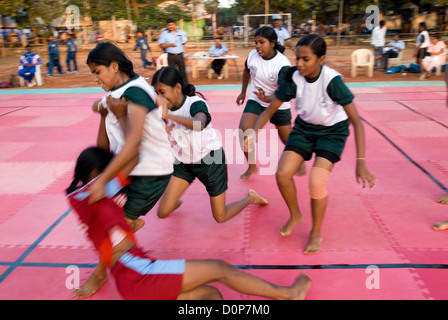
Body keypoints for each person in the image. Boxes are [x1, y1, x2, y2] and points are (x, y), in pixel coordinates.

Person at [66, 146, 311, 300]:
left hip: (135, 277)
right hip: (137, 276)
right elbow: (130, 158)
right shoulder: (87, 194)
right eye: (107, 170)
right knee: (219, 268)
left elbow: (115, 162)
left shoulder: (94, 194)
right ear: (97, 171)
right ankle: (287, 295)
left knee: (211, 296)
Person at [251, 34, 376, 254]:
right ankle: (295, 215)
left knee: (317, 181)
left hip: (332, 133)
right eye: (298, 58)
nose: (299, 63)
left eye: (306, 59)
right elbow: (270, 109)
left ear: (321, 59)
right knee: (282, 174)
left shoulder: (332, 80)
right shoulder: (294, 78)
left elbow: (356, 122)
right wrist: (253, 134)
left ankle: (316, 232)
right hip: (305, 129)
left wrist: (361, 162)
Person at [74, 42, 173, 299]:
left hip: (149, 172)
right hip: (129, 169)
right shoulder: (116, 95)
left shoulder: (135, 92)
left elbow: (134, 144)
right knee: (103, 217)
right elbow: (105, 151)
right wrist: (104, 115)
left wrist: (103, 180)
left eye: (97, 72)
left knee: (114, 227)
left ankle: (101, 273)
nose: (96, 79)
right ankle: (131, 222)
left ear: (114, 66)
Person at [148, 66, 269, 223]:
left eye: (162, 92)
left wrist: (168, 116)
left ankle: (249, 199)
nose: (159, 97)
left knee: (220, 216)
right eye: (156, 93)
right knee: (162, 212)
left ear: (177, 88)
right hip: (184, 163)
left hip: (211, 161)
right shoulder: (162, 110)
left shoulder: (194, 103)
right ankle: (174, 199)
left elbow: (199, 124)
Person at [236, 26, 305, 179]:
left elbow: (282, 91)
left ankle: (299, 161)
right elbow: (247, 70)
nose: (258, 46)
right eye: (256, 42)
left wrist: (267, 98)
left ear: (272, 43)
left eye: (262, 42)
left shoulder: (282, 64)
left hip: (278, 103)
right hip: (256, 99)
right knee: (243, 131)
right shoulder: (253, 55)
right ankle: (252, 166)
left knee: (287, 138)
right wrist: (243, 92)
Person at [158, 18, 188, 83]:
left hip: (180, 55)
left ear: (174, 25)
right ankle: (174, 86)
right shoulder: (164, 34)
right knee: (172, 72)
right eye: (169, 25)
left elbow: (184, 44)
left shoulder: (180, 32)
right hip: (171, 56)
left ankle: (185, 86)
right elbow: (161, 45)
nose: (171, 26)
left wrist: (186, 54)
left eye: (172, 25)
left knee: (183, 72)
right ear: (167, 25)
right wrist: (169, 45)